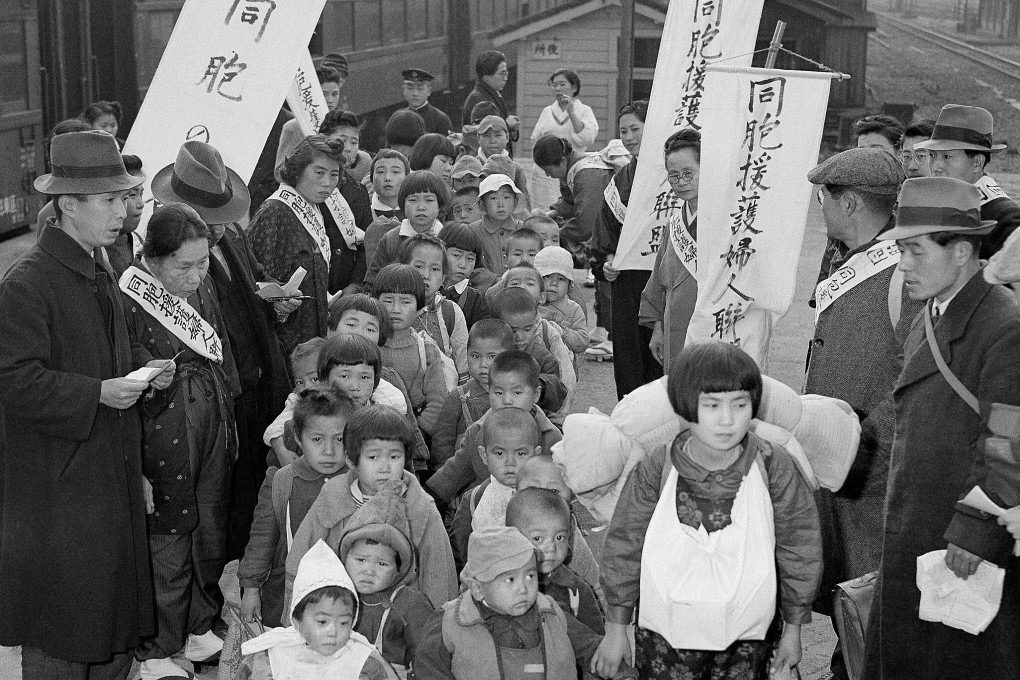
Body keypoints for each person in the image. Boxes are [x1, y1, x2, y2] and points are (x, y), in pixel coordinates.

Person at [0, 130, 162, 679]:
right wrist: (98, 393)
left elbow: (102, 352)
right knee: (64, 630)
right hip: (59, 491)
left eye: (124, 197)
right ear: (68, 206)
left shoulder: (98, 265)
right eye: (111, 200)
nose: (125, 210)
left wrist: (143, 367)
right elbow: (14, 382)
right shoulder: (28, 282)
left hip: (102, 476)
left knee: (108, 622)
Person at [861, 177, 1020, 680]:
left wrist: (975, 532)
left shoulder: (1004, 326)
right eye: (899, 250)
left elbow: (1009, 444)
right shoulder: (930, 312)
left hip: (961, 537)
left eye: (914, 251)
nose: (902, 265)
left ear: (963, 251)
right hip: (916, 519)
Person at [592, 341, 823, 680]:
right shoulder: (657, 467)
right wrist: (616, 630)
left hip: (748, 637)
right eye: (712, 405)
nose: (727, 420)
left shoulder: (774, 466)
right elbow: (625, 545)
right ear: (684, 405)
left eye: (740, 404)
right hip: (667, 639)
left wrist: (793, 628)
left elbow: (799, 547)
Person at [804, 148, 922, 680]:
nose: (820, 209)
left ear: (849, 201)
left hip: (871, 462)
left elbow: (915, 374)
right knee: (846, 584)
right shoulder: (850, 257)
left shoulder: (903, 271)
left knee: (872, 590)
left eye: (824, 198)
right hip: (842, 457)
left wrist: (868, 445)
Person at [152, 139, 294, 559]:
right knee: (226, 498)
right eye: (207, 218)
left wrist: (272, 301)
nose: (216, 226)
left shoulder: (229, 235)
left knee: (251, 486)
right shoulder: (170, 258)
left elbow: (249, 286)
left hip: (254, 382)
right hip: (218, 396)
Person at [120, 203, 241, 678]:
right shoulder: (127, 294)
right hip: (161, 426)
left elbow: (220, 345)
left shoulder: (202, 284)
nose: (195, 275)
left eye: (202, 262)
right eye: (183, 266)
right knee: (168, 536)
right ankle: (157, 649)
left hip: (208, 410)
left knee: (209, 524)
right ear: (153, 258)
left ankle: (197, 626)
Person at [285, 404, 458, 609]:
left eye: (394, 457)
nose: (385, 467)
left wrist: (436, 630)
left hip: (399, 620)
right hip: (339, 615)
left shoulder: (420, 507)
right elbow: (301, 556)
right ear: (351, 460)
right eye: (373, 457)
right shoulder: (333, 497)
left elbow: (439, 575)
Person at [239, 387, 356, 628]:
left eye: (339, 439)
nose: (329, 450)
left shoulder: (359, 481)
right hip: (290, 592)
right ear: (298, 437)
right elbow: (262, 540)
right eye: (317, 439)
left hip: (347, 591)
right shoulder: (281, 481)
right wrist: (251, 589)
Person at [414, 525, 576, 679]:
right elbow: (428, 669)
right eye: (510, 579)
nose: (523, 589)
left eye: (530, 576)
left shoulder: (552, 612)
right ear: (478, 588)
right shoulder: (449, 621)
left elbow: (588, 648)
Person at [239, 539, 398, 680]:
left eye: (344, 622)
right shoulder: (269, 660)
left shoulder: (364, 662)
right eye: (322, 621)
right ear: (297, 620)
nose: (333, 631)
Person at [427, 350, 564, 504]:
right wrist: (425, 499)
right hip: (486, 509)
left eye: (517, 392)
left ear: (536, 394)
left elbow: (563, 487)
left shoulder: (551, 437)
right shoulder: (478, 432)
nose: (507, 400)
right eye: (498, 392)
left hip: (534, 515)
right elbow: (455, 472)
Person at [590, 101, 661, 398]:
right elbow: (605, 231)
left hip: (664, 278)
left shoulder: (670, 173)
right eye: (623, 131)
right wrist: (605, 262)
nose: (629, 136)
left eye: (635, 129)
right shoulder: (619, 180)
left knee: (661, 355)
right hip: (628, 281)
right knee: (630, 356)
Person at [506, 488, 611, 678]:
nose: (551, 547)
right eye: (538, 538)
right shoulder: (500, 585)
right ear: (512, 538)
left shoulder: (576, 589)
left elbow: (595, 641)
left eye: (559, 537)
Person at [339, 480, 436, 676]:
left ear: (398, 570)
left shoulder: (411, 604)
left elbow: (427, 657)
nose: (369, 570)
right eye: (360, 559)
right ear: (344, 557)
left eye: (382, 564)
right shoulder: (335, 595)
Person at [533, 135, 615, 357]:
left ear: (561, 161)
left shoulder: (588, 173)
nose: (548, 175)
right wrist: (553, 213)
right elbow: (570, 201)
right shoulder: (574, 167)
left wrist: (556, 234)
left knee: (608, 282)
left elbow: (586, 223)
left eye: (549, 170)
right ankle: (601, 328)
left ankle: (612, 337)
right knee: (600, 280)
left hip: (613, 234)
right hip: (605, 233)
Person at [917, 104, 1020, 257]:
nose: (936, 167)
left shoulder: (1005, 218)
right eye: (932, 155)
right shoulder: (940, 205)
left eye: (947, 157)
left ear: (977, 163)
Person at [639, 129, 700, 373]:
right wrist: (657, 327)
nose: (681, 182)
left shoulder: (726, 222)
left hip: (709, 325)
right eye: (674, 176)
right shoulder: (674, 223)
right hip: (674, 324)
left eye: (688, 173)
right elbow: (658, 280)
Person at [449, 408, 542, 568]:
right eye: (499, 453)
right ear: (484, 455)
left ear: (536, 455)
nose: (510, 462)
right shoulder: (474, 500)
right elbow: (460, 554)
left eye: (520, 453)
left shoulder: (546, 496)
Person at [373, 263, 451, 438]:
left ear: (419, 308)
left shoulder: (426, 350)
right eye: (388, 300)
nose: (396, 309)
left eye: (406, 302)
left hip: (416, 437)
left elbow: (438, 400)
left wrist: (416, 433)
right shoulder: (368, 347)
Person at [430, 319, 513, 470]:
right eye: (475, 356)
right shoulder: (458, 397)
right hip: (466, 479)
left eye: (492, 357)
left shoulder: (515, 397)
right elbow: (442, 443)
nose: (483, 364)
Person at [319, 110, 375, 295]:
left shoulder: (359, 192)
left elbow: (365, 244)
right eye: (342, 140)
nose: (349, 148)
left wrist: (355, 285)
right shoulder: (307, 185)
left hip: (345, 288)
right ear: (323, 139)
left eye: (354, 142)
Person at [530, 69, 599, 212]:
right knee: (544, 211)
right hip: (546, 172)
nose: (558, 89)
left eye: (562, 84)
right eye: (554, 85)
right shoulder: (547, 111)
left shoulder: (584, 110)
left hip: (572, 169)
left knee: (571, 209)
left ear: (574, 87)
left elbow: (587, 138)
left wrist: (571, 112)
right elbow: (535, 139)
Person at [398, 235, 469, 374]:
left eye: (435, 269)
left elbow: (463, 366)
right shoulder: (388, 309)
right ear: (402, 269)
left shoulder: (450, 312)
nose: (426, 275)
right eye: (419, 266)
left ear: (443, 278)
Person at [366, 170, 449, 285]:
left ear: (440, 204)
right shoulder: (391, 239)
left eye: (429, 200)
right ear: (402, 203)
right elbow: (373, 281)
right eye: (413, 200)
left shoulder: (448, 237)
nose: (421, 207)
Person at [275, 66, 345, 172]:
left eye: (335, 94)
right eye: (324, 94)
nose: (330, 100)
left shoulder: (344, 124)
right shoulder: (294, 127)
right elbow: (279, 172)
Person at [461, 51, 520, 154]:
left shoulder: (492, 94)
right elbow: (486, 132)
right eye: (502, 73)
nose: (505, 78)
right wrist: (506, 124)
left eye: (506, 73)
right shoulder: (478, 99)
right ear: (486, 75)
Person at [536, 245, 589, 355]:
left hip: (564, 366)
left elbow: (583, 343)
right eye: (547, 277)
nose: (554, 283)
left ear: (570, 285)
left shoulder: (573, 309)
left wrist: (562, 331)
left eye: (561, 279)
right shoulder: (529, 304)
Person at [469, 173, 524, 277]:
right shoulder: (473, 231)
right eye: (493, 198)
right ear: (482, 204)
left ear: (515, 202)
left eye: (507, 197)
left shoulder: (523, 229)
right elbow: (472, 269)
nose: (500, 204)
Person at [438, 222, 490, 327]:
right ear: (440, 252)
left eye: (470, 259)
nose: (463, 264)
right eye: (457, 255)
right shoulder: (426, 290)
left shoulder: (476, 301)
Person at [401, 68, 452, 135]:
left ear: (429, 91)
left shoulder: (440, 119)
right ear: (404, 91)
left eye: (420, 89)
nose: (415, 93)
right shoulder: (399, 119)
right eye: (410, 88)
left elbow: (446, 145)